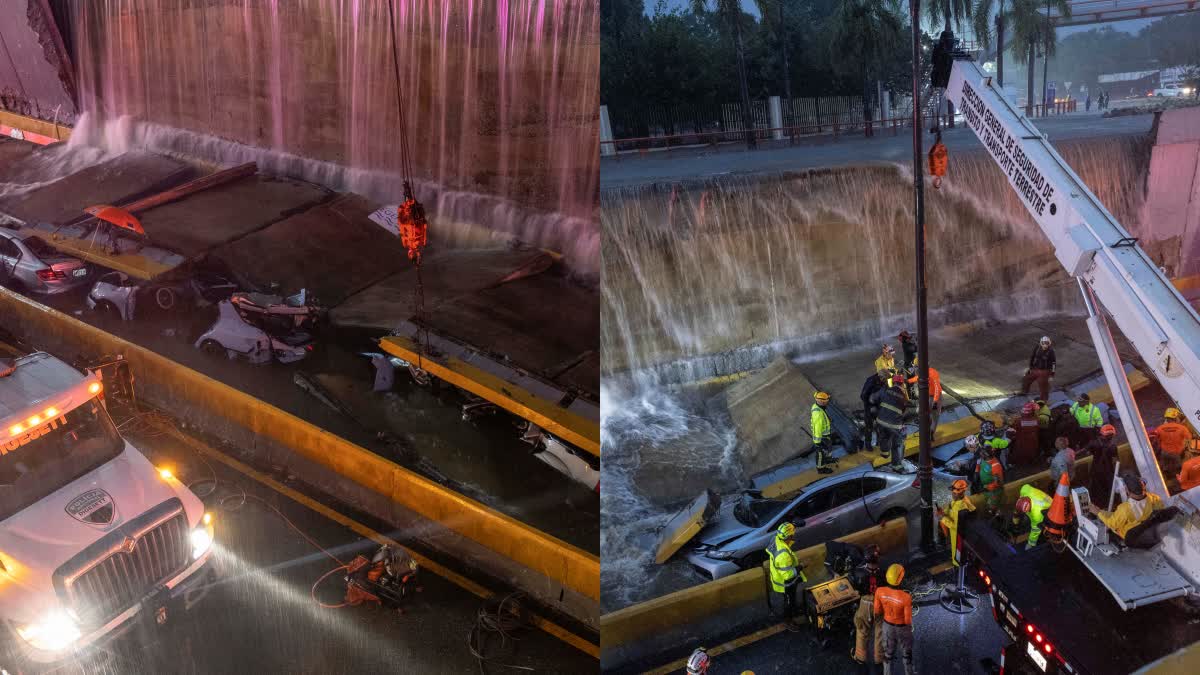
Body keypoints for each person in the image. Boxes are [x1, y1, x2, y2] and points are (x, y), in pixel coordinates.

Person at [1091, 473, 1164, 541]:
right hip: (1149, 532)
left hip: (1132, 537)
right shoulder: (1155, 498)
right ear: (1143, 486)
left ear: (1127, 490)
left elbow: (1112, 524)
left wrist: (1098, 513)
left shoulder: (1125, 509)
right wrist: (1102, 512)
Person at [875, 564, 914, 675]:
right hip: (902, 629)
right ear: (900, 579)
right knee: (907, 656)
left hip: (887, 627)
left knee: (888, 656)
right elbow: (907, 620)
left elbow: (877, 611)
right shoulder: (906, 597)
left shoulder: (879, 591)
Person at [851, 545, 884, 668]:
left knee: (862, 630)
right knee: (880, 632)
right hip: (879, 604)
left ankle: (860, 658)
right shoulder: (884, 571)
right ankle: (879, 659)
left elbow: (855, 590)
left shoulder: (858, 573)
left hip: (864, 604)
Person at [766, 522, 805, 620]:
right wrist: (801, 566)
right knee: (789, 601)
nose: (793, 536)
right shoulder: (783, 555)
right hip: (785, 583)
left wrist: (794, 524)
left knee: (791, 599)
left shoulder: (777, 538)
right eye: (792, 535)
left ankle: (794, 610)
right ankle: (788, 620)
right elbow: (788, 575)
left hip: (778, 576)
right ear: (788, 537)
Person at [870, 376, 910, 468]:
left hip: (881, 421)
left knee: (884, 437)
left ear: (893, 382)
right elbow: (905, 411)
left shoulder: (884, 390)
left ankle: (885, 453)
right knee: (897, 444)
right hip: (895, 426)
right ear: (902, 384)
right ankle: (896, 465)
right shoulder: (904, 396)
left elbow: (872, 399)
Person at [939, 479, 975, 565]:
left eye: (954, 493)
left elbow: (955, 525)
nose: (952, 494)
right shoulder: (963, 500)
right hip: (962, 534)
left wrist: (943, 517)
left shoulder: (960, 508)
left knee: (958, 556)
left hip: (958, 536)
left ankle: (958, 568)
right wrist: (944, 513)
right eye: (953, 492)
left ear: (960, 493)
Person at [906, 355, 942, 435]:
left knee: (935, 417)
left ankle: (931, 434)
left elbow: (937, 388)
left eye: (916, 367)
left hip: (936, 397)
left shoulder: (933, 373)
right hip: (928, 396)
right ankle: (926, 426)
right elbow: (918, 377)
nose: (914, 369)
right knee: (921, 411)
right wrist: (908, 381)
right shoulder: (923, 373)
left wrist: (935, 402)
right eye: (914, 366)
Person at [1153, 408, 1193, 477]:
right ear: (1175, 417)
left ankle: (1168, 476)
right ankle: (1178, 478)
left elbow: (1155, 440)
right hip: (1177, 453)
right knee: (1178, 468)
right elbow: (1189, 439)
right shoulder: (1182, 428)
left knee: (1166, 467)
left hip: (1165, 453)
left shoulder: (1159, 428)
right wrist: (1185, 449)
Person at [1086, 425, 1120, 508]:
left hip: (1095, 469)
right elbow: (1115, 460)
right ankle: (1107, 505)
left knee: (1095, 489)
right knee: (1108, 490)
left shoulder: (1094, 442)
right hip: (1108, 471)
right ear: (1112, 435)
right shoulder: (1113, 446)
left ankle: (1096, 505)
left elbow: (1087, 452)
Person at [1015, 483, 1052, 549]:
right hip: (1045, 498)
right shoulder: (1025, 489)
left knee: (1040, 525)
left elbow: (1035, 530)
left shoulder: (1037, 515)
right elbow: (1026, 486)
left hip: (1050, 508)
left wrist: (1030, 544)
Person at [1020, 336, 1056, 401]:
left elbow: (1053, 363)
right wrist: (1030, 367)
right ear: (1041, 343)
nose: (1045, 345)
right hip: (1035, 369)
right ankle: (1024, 392)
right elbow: (1032, 357)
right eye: (1043, 343)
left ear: (1049, 343)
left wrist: (1052, 375)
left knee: (1043, 388)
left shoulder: (1051, 351)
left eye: (1047, 343)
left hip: (1045, 371)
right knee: (1026, 379)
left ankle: (1043, 401)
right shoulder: (1037, 347)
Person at [861, 370, 890, 451]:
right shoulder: (871, 382)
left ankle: (879, 442)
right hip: (869, 407)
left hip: (878, 405)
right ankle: (868, 445)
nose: (886, 381)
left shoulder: (883, 380)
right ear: (881, 377)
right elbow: (863, 396)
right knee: (869, 426)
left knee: (880, 425)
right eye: (885, 379)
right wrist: (870, 406)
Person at [977, 445, 1005, 513]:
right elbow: (979, 467)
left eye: (982, 452)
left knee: (992, 508)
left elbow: (998, 483)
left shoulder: (995, 466)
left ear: (986, 455)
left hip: (993, 492)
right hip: (985, 489)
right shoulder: (983, 460)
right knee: (987, 505)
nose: (980, 453)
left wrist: (986, 487)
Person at [812, 391, 835, 474]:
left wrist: (828, 419)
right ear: (821, 402)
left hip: (825, 435)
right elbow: (817, 428)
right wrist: (817, 443)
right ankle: (821, 469)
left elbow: (823, 416)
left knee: (828, 449)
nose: (827, 403)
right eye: (826, 402)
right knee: (820, 453)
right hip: (822, 437)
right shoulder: (818, 414)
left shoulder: (818, 407)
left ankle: (828, 460)